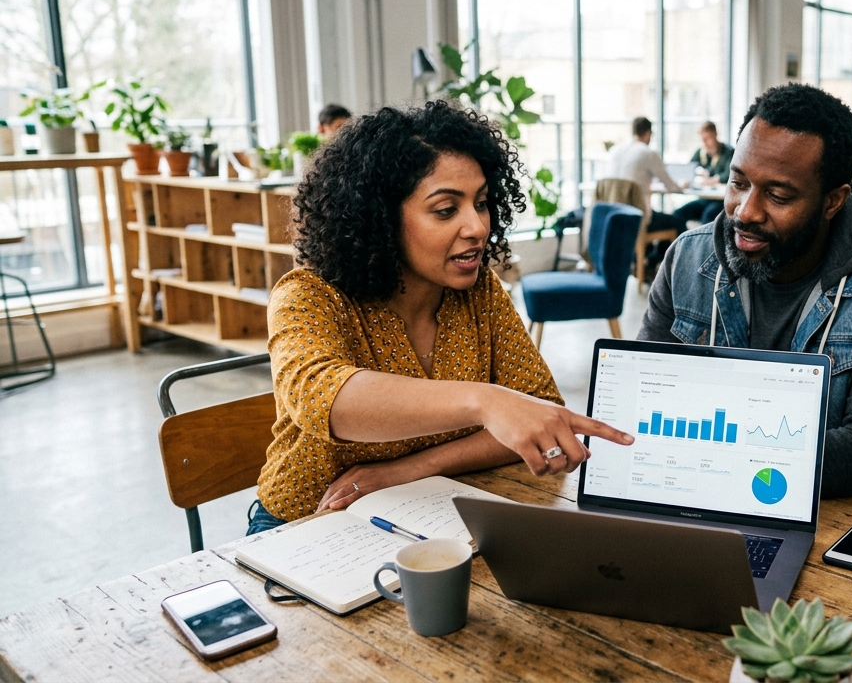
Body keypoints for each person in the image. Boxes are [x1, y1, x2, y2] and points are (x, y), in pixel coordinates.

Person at [249, 101, 632, 533]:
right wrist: (487, 401)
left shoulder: (478, 291)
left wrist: (403, 471)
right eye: (446, 210)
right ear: (380, 219)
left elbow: (531, 415)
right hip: (305, 523)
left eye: (482, 203)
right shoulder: (309, 294)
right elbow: (324, 399)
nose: (477, 227)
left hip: (430, 513)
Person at [639, 84, 852, 501]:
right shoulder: (687, 261)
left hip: (826, 516)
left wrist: (705, 448)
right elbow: (643, 402)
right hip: (692, 495)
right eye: (738, 183)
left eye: (778, 195)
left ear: (833, 201)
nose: (746, 211)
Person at [608, 116, 687, 261]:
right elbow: (671, 186)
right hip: (637, 220)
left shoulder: (615, 151)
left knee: (661, 217)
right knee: (678, 222)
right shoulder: (648, 153)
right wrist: (682, 185)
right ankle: (663, 267)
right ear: (649, 133)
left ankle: (649, 262)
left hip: (614, 217)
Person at [673, 121, 734, 224]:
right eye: (702, 139)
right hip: (704, 198)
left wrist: (712, 180)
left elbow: (729, 174)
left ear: (715, 135)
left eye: (707, 139)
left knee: (708, 216)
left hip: (720, 201)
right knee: (678, 214)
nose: (705, 143)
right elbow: (689, 169)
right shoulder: (701, 152)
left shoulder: (729, 152)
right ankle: (683, 240)